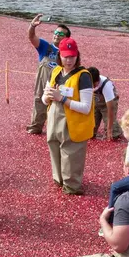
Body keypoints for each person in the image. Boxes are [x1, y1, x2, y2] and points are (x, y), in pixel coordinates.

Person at [43, 37, 94, 195]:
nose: (69, 60)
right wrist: (48, 97)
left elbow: (86, 108)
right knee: (54, 146)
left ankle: (71, 186)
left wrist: (62, 99)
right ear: (60, 56)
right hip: (54, 117)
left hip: (73, 121)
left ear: (77, 56)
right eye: (65, 56)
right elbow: (44, 99)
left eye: (72, 56)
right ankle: (59, 180)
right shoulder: (55, 71)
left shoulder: (83, 76)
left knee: (71, 153)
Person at [26, 14, 71, 135]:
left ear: (66, 38)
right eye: (56, 32)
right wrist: (32, 26)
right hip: (42, 84)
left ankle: (59, 131)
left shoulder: (68, 52)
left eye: (61, 34)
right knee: (39, 105)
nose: (56, 35)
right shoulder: (45, 47)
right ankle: (35, 128)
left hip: (60, 85)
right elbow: (31, 37)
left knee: (59, 107)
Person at [88, 67, 121, 140]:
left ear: (97, 81)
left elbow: (110, 108)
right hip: (95, 102)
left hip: (108, 104)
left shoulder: (106, 85)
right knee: (89, 133)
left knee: (113, 135)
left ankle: (117, 130)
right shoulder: (85, 80)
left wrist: (109, 129)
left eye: (93, 84)